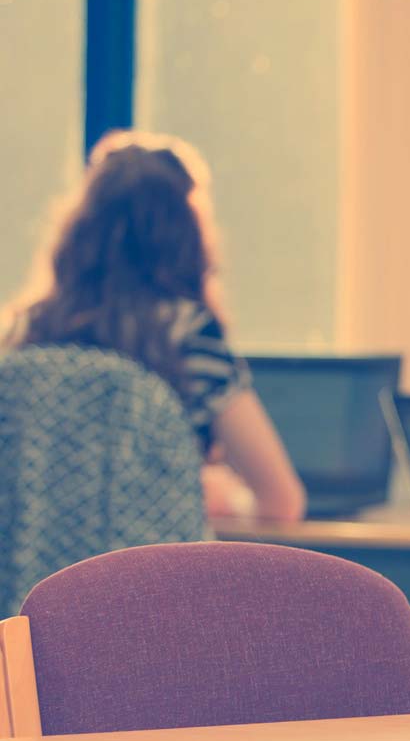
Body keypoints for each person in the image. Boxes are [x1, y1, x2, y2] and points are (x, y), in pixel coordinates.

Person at [3, 130, 305, 522]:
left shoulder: (25, 334)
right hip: (149, 581)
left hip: (35, 583)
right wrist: (212, 494)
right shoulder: (189, 338)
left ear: (80, 231)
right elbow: (282, 503)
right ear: (185, 237)